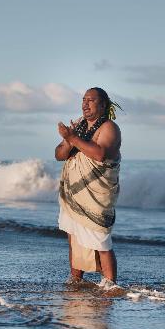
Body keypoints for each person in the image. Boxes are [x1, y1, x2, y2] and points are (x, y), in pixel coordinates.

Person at [55, 87, 122, 291]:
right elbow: (59, 154)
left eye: (91, 100)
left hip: (96, 196)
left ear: (102, 105)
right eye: (83, 99)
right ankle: (76, 280)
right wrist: (69, 139)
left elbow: (100, 154)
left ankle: (110, 285)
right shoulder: (80, 127)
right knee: (74, 237)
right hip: (75, 194)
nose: (85, 103)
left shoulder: (109, 128)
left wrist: (74, 138)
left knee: (100, 241)